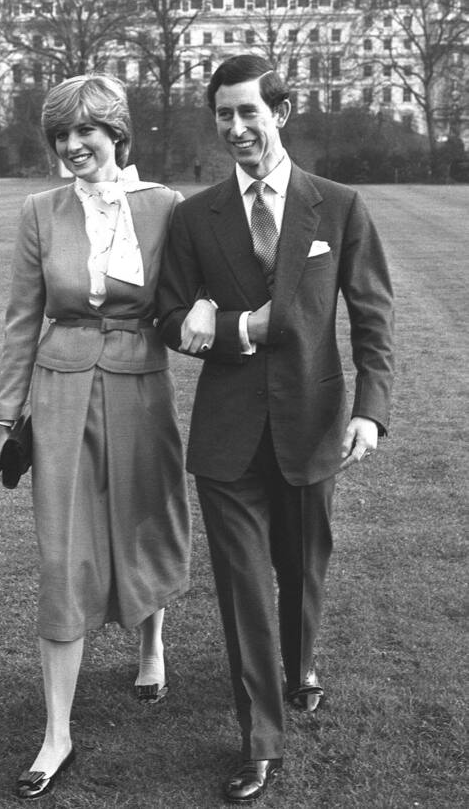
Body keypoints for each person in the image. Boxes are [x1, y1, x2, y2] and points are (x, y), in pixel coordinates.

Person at [157, 55, 394, 804]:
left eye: (248, 113)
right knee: (241, 591)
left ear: (281, 113)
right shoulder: (196, 216)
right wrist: (226, 325)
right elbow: (168, 317)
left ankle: (300, 666)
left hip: (314, 422)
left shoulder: (340, 206)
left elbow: (373, 318)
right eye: (223, 115)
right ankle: (260, 740)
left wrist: (370, 409)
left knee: (302, 569)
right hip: (227, 438)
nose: (235, 128)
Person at [0, 74, 203, 800]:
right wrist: (6, 408)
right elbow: (24, 315)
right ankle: (57, 733)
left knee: (145, 521)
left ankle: (151, 645)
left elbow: (191, 291)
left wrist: (206, 306)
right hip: (58, 393)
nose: (73, 145)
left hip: (141, 388)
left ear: (118, 134)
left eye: (87, 131)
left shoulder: (166, 207)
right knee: (63, 551)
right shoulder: (39, 210)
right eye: (61, 134)